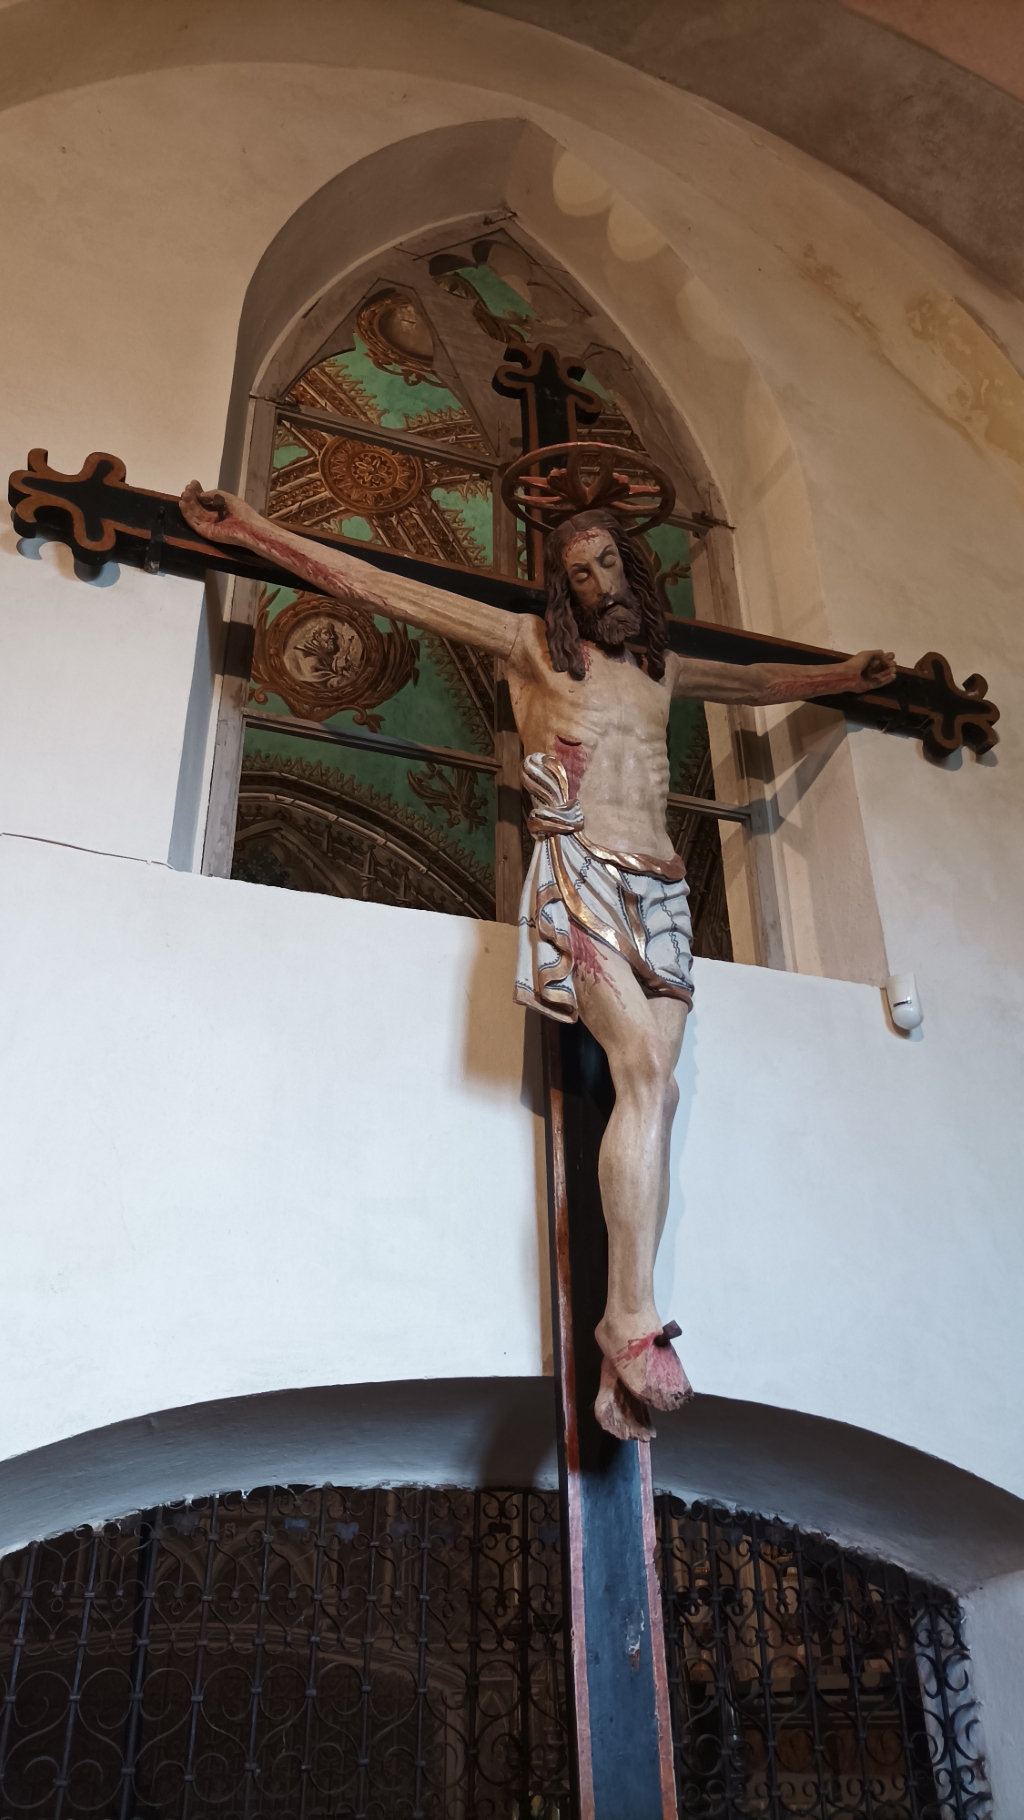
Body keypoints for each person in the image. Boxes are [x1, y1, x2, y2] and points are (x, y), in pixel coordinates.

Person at [181, 479, 896, 1439]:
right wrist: (257, 532)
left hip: (663, 891)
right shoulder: (531, 647)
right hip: (582, 874)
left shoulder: (665, 669)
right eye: (580, 573)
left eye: (608, 563)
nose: (599, 582)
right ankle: (632, 1321)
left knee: (659, 1090)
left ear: (632, 567)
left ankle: (616, 1348)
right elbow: (390, 593)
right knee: (642, 1068)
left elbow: (762, 681)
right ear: (563, 589)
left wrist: (844, 676)